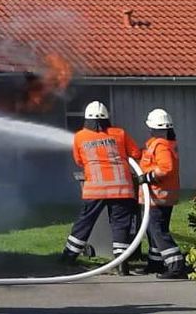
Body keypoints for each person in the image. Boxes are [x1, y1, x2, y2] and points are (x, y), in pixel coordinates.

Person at [60, 101, 141, 273]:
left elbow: (79, 160)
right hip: (121, 188)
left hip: (95, 188)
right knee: (120, 225)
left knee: (85, 221)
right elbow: (136, 154)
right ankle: (121, 264)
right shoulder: (120, 133)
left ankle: (69, 257)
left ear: (86, 119)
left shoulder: (80, 136)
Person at [137, 108, 183, 278]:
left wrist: (147, 177)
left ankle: (176, 265)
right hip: (159, 196)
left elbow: (166, 168)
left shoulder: (161, 145)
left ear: (155, 128)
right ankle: (155, 263)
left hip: (158, 196)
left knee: (158, 231)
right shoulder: (163, 144)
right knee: (153, 230)